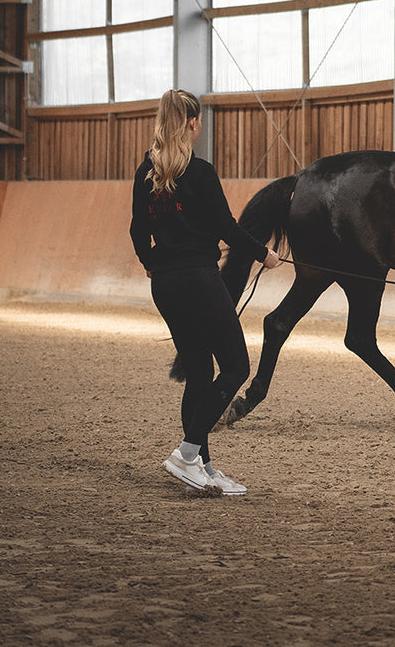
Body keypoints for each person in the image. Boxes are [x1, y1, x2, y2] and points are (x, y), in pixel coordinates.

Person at [129, 88, 282, 497]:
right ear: (193, 123)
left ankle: (204, 467)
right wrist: (263, 254)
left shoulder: (148, 170)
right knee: (236, 369)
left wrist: (152, 263)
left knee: (199, 374)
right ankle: (185, 454)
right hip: (198, 279)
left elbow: (137, 230)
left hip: (166, 284)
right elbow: (226, 228)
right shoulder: (200, 172)